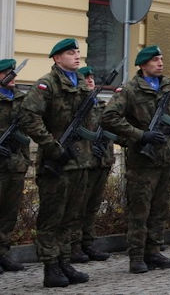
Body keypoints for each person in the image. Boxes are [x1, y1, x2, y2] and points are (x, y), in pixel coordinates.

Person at [102, 46, 170, 274]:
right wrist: (139, 135)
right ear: (143, 64)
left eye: (161, 58)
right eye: (155, 59)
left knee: (160, 209)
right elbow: (108, 118)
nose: (160, 62)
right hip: (142, 161)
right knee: (140, 211)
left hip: (165, 159)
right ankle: (136, 256)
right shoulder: (130, 89)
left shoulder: (167, 87)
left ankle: (154, 252)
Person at [20, 38, 93, 288]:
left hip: (80, 161)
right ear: (56, 58)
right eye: (70, 52)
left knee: (72, 217)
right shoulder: (46, 84)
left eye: (77, 52)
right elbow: (29, 117)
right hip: (56, 162)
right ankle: (51, 267)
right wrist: (52, 146)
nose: (76, 56)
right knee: (52, 217)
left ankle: (64, 261)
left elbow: (90, 121)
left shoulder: (82, 83)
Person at [73, 66, 112, 263]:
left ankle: (88, 243)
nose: (90, 80)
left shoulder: (101, 105)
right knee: (78, 206)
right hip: (84, 162)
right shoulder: (78, 106)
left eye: (91, 77)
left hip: (102, 161)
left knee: (93, 206)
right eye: (85, 77)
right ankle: (74, 246)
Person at [0, 58, 27, 274]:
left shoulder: (21, 98)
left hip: (16, 165)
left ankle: (3, 254)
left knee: (9, 214)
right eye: (7, 73)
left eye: (13, 72)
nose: (12, 76)